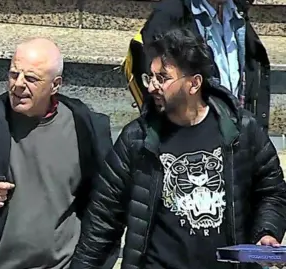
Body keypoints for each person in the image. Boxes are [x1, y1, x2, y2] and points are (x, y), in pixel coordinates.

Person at [70, 27, 286, 269]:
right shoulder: (137, 139)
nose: (151, 87)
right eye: (149, 77)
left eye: (162, 78)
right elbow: (102, 221)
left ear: (194, 84)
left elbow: (272, 191)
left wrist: (267, 231)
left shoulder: (242, 130)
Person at [0, 37, 118, 269]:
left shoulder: (85, 127)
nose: (18, 84)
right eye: (13, 74)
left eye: (31, 78)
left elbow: (107, 203)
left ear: (55, 85)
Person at [134, 0, 271, 132]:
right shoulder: (169, 17)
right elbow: (159, 89)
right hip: (193, 139)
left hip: (236, 133)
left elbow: (250, 78)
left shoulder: (236, 11)